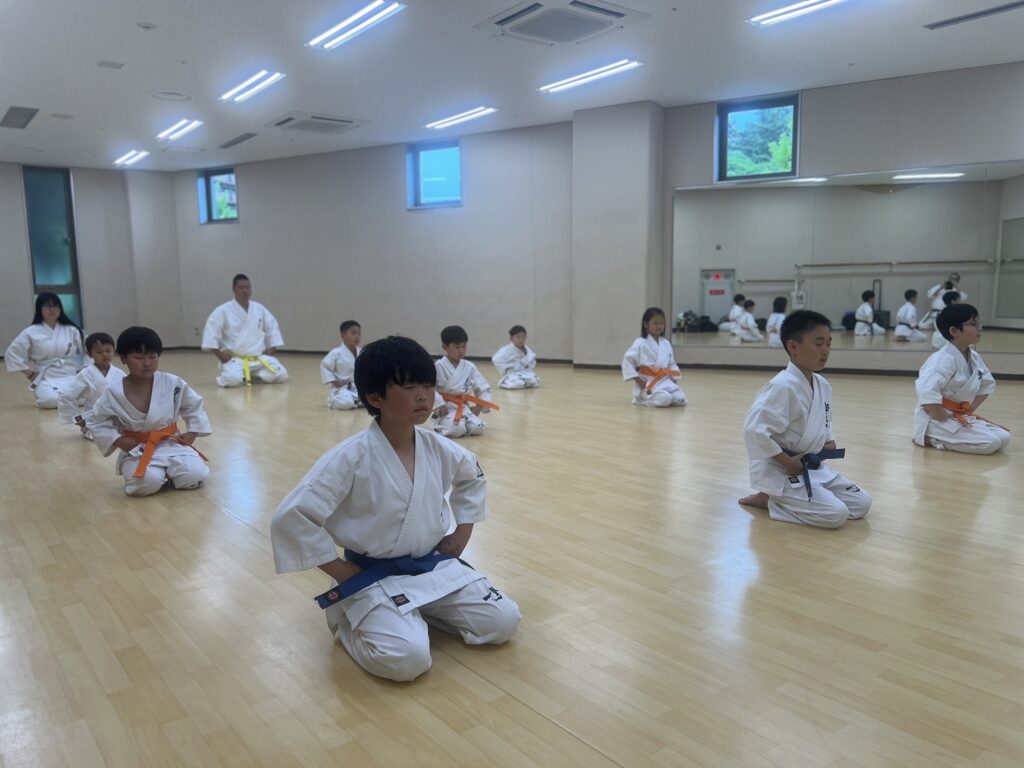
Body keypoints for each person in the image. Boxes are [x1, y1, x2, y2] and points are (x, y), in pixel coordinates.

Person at [270, 336, 521, 682]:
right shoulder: (350, 457)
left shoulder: (440, 447)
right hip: (371, 575)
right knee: (408, 660)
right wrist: (342, 572)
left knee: (503, 622)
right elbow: (291, 517)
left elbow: (472, 478)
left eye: (428, 385)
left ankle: (420, 611)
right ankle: (348, 620)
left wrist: (461, 535)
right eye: (409, 387)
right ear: (375, 397)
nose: (423, 396)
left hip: (430, 566)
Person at [738, 310, 872, 528]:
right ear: (793, 347)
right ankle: (770, 498)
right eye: (818, 343)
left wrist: (828, 440)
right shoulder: (781, 387)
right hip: (781, 468)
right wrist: (787, 462)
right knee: (836, 514)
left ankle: (789, 498)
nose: (825, 350)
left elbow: (825, 422)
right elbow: (754, 431)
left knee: (862, 504)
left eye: (828, 343)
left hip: (810, 465)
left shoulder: (822, 385)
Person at [86, 327, 211, 497]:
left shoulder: (173, 383)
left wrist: (193, 432)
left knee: (195, 476)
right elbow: (96, 421)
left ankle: (168, 474)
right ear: (123, 358)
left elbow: (194, 404)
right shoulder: (114, 392)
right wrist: (118, 440)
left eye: (153, 356)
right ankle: (158, 476)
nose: (147, 363)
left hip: (171, 443)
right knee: (144, 485)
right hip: (137, 448)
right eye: (139, 358)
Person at [914, 304, 1010, 454]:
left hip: (957, 415)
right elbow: (926, 390)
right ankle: (931, 438)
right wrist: (940, 415)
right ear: (954, 331)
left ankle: (947, 435)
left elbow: (987, 385)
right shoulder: (942, 359)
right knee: (991, 443)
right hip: (935, 420)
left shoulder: (974, 357)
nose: (979, 328)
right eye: (973, 324)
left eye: (979, 323)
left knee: (1004, 438)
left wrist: (968, 409)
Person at [201, 274, 289, 387]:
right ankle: (242, 376)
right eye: (241, 287)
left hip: (258, 359)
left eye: (248, 287)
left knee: (281, 374)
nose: (245, 291)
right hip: (236, 360)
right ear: (234, 289)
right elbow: (210, 333)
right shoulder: (223, 310)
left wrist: (271, 352)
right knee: (232, 380)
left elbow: (272, 328)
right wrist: (221, 356)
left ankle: (249, 377)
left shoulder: (259, 309)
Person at [5, 293, 85, 409]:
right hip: (45, 377)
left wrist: (84, 371)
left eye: (56, 306)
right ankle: (46, 397)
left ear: (60, 309)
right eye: (48, 306)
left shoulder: (72, 330)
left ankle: (65, 398)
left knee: (86, 398)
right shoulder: (31, 332)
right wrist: (30, 374)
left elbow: (88, 351)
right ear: (40, 309)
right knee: (50, 400)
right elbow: (12, 354)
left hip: (69, 373)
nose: (52, 309)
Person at [57, 332, 125, 439]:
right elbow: (67, 396)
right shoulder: (85, 374)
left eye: (108, 351)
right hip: (94, 418)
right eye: (99, 352)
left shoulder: (119, 373)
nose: (105, 355)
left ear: (114, 351)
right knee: (103, 438)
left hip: (118, 417)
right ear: (89, 354)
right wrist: (80, 422)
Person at [433, 326, 497, 438]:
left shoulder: (469, 366)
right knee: (457, 429)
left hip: (464, 407)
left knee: (478, 428)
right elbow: (429, 389)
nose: (461, 351)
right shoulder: (438, 366)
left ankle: (464, 422)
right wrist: (440, 405)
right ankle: (438, 425)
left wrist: (479, 406)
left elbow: (483, 387)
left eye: (464, 346)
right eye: (457, 347)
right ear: (445, 347)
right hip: (447, 408)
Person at [622, 307, 686, 407]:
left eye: (662, 323)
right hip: (647, 383)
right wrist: (640, 382)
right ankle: (642, 400)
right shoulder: (640, 343)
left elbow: (671, 364)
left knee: (680, 399)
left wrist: (674, 379)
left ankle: (663, 395)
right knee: (665, 399)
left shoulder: (666, 343)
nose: (659, 326)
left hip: (664, 380)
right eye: (655, 323)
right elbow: (627, 361)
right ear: (646, 324)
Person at [320, 321, 362, 410]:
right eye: (353, 333)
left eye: (359, 333)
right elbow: (325, 366)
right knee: (346, 402)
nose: (357, 336)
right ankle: (333, 400)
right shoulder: (336, 353)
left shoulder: (362, 353)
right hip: (342, 389)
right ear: (343, 336)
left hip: (357, 388)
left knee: (374, 400)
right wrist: (334, 381)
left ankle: (356, 401)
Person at [491, 325, 539, 389]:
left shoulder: (526, 349)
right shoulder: (507, 350)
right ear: (511, 338)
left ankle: (523, 383)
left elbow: (532, 361)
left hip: (524, 372)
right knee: (517, 384)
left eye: (523, 337)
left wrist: (527, 365)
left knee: (534, 382)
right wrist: (508, 368)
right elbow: (495, 359)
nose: (521, 340)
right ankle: (504, 383)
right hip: (512, 373)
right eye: (518, 337)